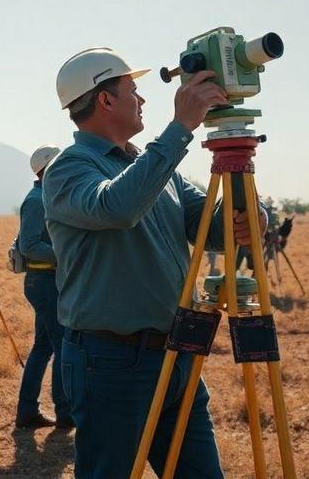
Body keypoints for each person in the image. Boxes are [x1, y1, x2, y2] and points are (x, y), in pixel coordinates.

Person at [43, 47, 266, 478]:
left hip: (178, 352)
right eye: (133, 90)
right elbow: (116, 207)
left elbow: (214, 229)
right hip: (111, 362)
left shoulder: (155, 168)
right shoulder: (68, 169)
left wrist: (244, 194)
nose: (142, 99)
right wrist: (180, 127)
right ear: (105, 99)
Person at [14, 144, 74, 430]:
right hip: (44, 282)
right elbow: (29, 245)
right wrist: (67, 255)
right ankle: (65, 413)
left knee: (43, 346)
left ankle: (27, 411)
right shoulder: (37, 200)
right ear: (47, 169)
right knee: (62, 346)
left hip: (48, 281)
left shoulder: (48, 196)